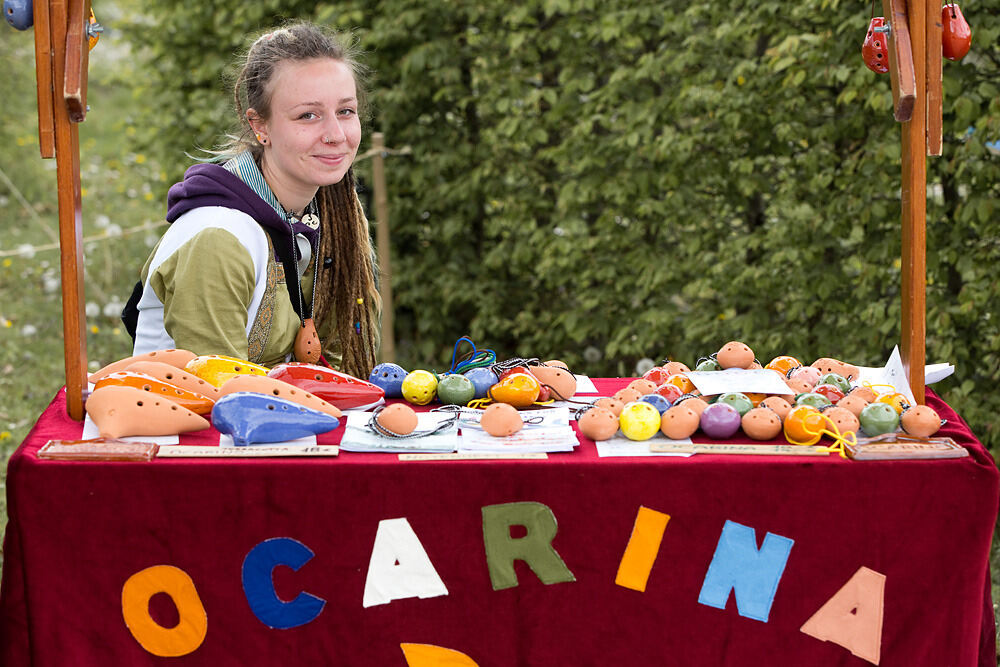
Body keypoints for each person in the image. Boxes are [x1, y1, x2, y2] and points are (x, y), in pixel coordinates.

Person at [127, 22, 380, 379]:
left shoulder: (327, 220)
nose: (336, 135)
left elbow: (333, 370)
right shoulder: (217, 239)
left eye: (345, 111)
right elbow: (222, 400)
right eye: (308, 115)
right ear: (260, 126)